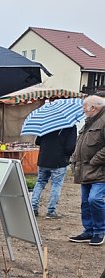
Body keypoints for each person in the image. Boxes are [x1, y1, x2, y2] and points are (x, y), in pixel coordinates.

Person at [68, 95, 105, 246]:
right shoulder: (89, 121)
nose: (83, 110)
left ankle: (99, 231)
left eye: (85, 107)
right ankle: (89, 230)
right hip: (85, 169)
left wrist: (94, 161)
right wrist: (74, 159)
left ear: (93, 107)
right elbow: (81, 143)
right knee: (85, 202)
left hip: (100, 170)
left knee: (94, 199)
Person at [31, 127, 77, 219]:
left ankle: (33, 208)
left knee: (40, 182)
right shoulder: (70, 126)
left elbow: (37, 141)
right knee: (56, 185)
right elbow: (70, 147)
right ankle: (51, 211)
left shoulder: (46, 123)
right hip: (59, 161)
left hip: (44, 159)